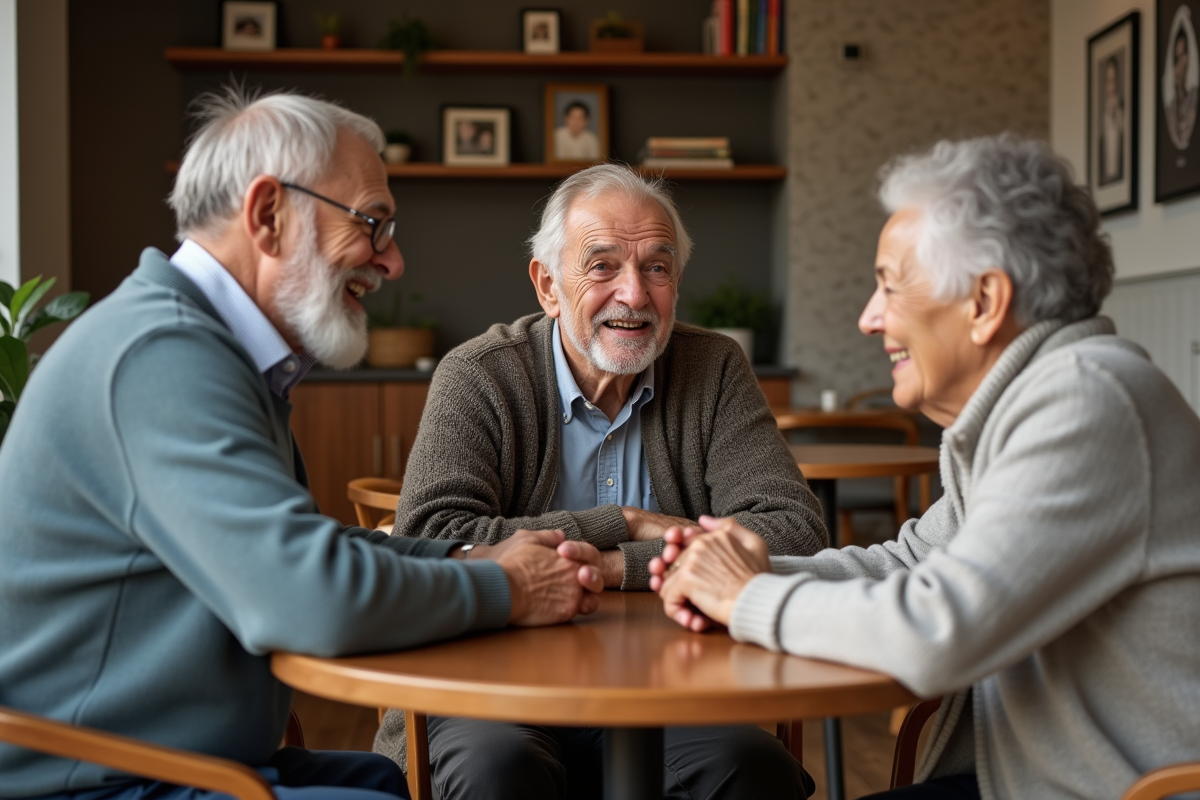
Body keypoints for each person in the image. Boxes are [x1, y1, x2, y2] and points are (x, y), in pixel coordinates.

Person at [0, 87, 604, 800]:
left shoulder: (208, 350)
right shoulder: (158, 357)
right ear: (267, 215)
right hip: (99, 781)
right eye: (373, 224)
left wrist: (471, 555)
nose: (393, 261)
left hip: (175, 761)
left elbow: (309, 550)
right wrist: (509, 587)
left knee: (381, 779)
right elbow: (309, 597)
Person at [650, 134, 1200, 800]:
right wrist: (744, 571)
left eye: (888, 286)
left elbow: (939, 630)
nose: (868, 318)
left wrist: (743, 598)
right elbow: (910, 564)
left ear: (984, 303)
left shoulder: (1086, 401)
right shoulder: (1027, 407)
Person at [373, 163, 825, 799]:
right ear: (548, 285)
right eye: (604, 265)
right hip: (489, 683)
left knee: (753, 771)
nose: (635, 295)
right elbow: (431, 535)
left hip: (673, 684)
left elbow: (792, 530)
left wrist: (615, 566)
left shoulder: (714, 367)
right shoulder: (479, 373)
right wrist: (627, 522)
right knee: (496, 774)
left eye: (657, 268)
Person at [1164, 13, 1198, 150]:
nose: (1179, 66)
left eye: (1183, 56)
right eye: (1176, 58)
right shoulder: (1171, 107)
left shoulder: (1192, 98)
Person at [1099, 54, 1123, 185]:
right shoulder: (1103, 111)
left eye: (1113, 80)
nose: (1111, 86)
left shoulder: (1121, 107)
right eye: (1108, 81)